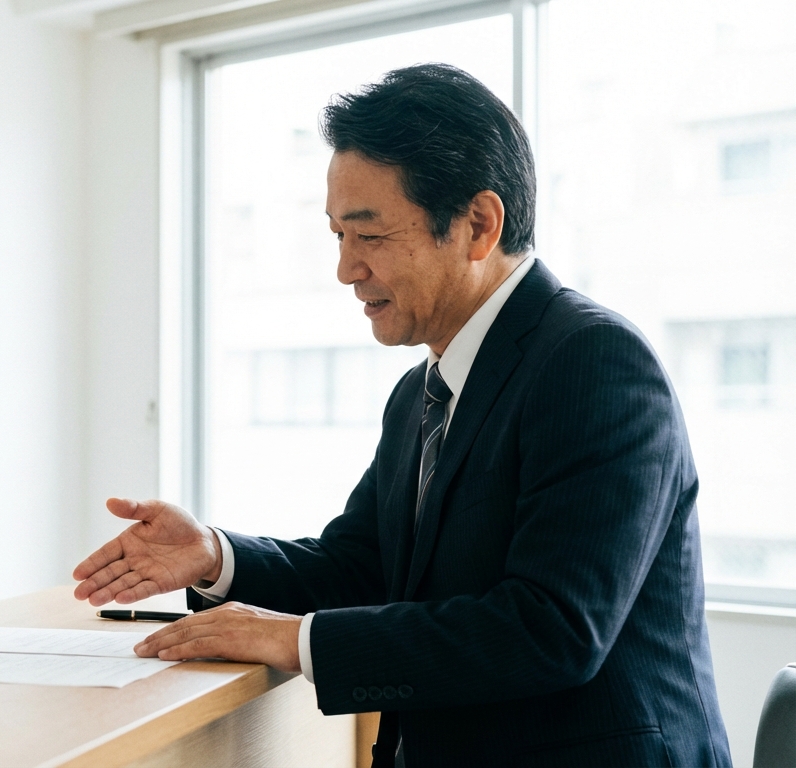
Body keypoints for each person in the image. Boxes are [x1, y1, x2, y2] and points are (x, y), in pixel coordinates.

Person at [73, 64, 731, 766]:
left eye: (371, 235)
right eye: (337, 237)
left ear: (478, 224)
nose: (346, 269)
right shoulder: (422, 392)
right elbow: (362, 568)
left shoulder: (594, 362)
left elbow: (552, 630)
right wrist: (214, 555)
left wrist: (294, 639)